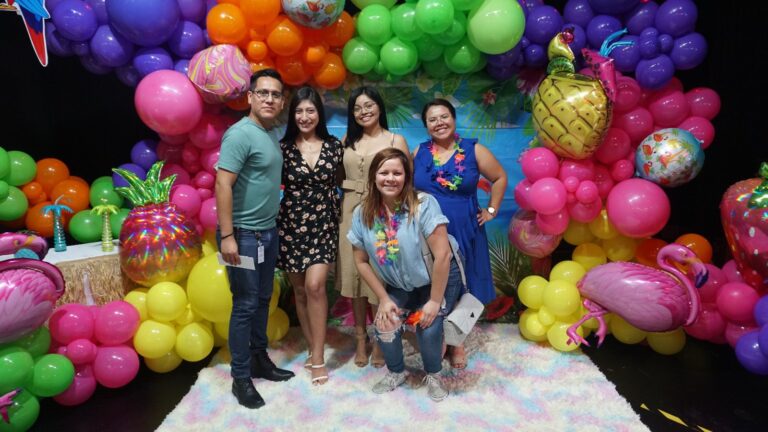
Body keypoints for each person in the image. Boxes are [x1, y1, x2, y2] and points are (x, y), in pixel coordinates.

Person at [348, 148, 463, 402]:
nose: (390, 178)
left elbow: (443, 256)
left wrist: (434, 301)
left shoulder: (424, 205)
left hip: (436, 277)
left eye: (397, 173)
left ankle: (434, 374)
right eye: (384, 172)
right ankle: (396, 372)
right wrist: (383, 298)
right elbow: (360, 261)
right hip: (400, 283)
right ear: (374, 176)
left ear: (406, 177)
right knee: (385, 322)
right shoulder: (362, 213)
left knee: (427, 327)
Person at [215, 69, 295, 409]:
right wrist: (228, 236)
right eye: (263, 93)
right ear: (250, 97)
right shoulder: (240, 134)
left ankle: (260, 359)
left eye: (276, 94)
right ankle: (241, 377)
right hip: (242, 235)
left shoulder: (270, 133)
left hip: (266, 233)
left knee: (262, 299)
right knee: (246, 304)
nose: (269, 99)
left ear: (282, 102)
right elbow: (223, 184)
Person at [413, 98, 507, 370]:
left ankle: (457, 341)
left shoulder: (474, 150)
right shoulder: (418, 152)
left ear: (453, 119)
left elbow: (499, 177)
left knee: (464, 284)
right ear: (426, 125)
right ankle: (436, 334)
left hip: (464, 226)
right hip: (429, 229)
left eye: (444, 116)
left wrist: (491, 209)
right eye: (432, 119)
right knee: (435, 282)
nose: (439, 123)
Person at [337, 86, 410, 368]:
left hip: (382, 212)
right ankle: (360, 338)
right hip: (349, 211)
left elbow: (406, 180)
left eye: (368, 105)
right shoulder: (347, 140)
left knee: (378, 276)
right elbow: (338, 176)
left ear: (379, 107)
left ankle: (382, 337)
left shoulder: (395, 139)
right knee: (355, 276)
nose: (363, 112)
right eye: (357, 108)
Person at [277, 86, 342, 386]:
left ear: (319, 114)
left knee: (316, 286)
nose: (305, 116)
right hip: (291, 226)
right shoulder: (283, 148)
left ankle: (318, 356)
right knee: (301, 291)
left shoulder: (334, 147)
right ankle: (311, 344)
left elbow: (342, 181)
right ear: (293, 115)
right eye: (299, 111)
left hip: (324, 224)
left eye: (310, 110)